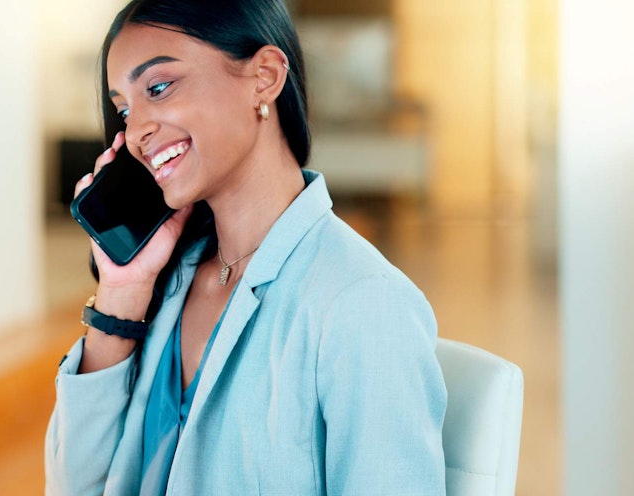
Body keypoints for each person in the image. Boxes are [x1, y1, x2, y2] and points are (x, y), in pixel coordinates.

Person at [45, 0, 447, 494]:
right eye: (124, 109)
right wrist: (121, 295)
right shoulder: (170, 279)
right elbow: (74, 486)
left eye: (159, 87)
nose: (135, 133)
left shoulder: (363, 301)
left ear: (264, 77)